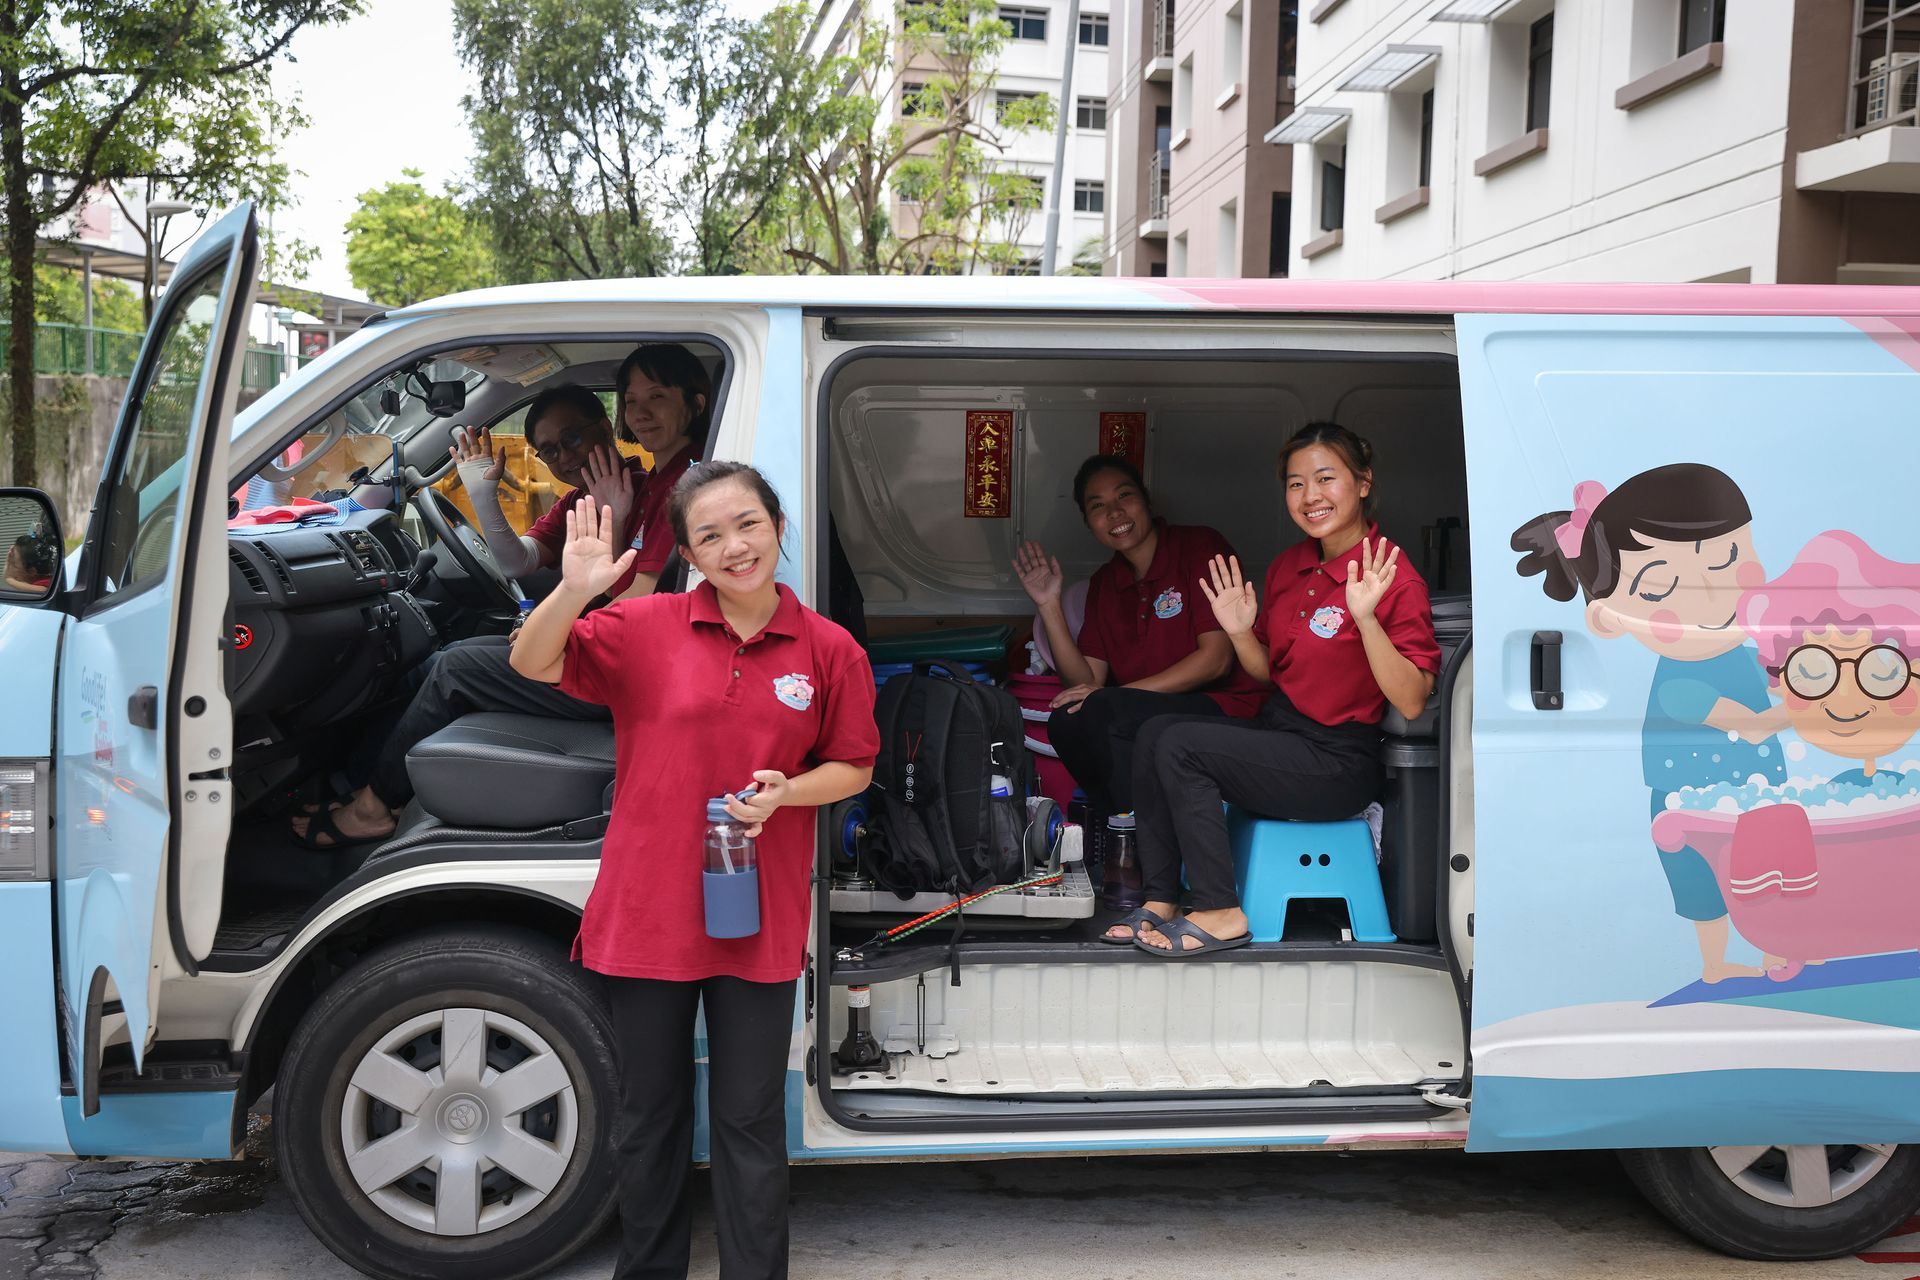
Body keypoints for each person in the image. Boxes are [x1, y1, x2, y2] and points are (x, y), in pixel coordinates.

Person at [510, 462, 877, 1280]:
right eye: (708, 535)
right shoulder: (644, 626)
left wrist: (790, 793)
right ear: (688, 550)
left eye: (747, 524)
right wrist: (573, 591)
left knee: (749, 1119)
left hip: (759, 916)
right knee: (650, 1116)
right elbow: (531, 662)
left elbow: (852, 766)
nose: (734, 547)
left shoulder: (828, 650)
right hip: (648, 912)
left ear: (778, 525)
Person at [291, 349, 712, 849]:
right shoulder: (624, 488)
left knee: (454, 669)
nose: (641, 413)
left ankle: (372, 808)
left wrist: (562, 619)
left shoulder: (680, 486)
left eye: (657, 398)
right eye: (549, 451)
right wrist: (482, 491)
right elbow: (518, 563)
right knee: (442, 659)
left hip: (630, 675)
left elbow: (636, 606)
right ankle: (358, 785)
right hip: (614, 657)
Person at [1129, 422, 1440, 956]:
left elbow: (1412, 699)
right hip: (1284, 733)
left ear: (1363, 482)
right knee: (1154, 729)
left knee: (1182, 747)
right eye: (1296, 483)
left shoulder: (1390, 574)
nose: (1310, 496)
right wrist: (1238, 631)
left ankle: (1220, 910)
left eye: (1326, 478)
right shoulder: (1290, 566)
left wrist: (1365, 619)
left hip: (1337, 759)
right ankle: (1161, 900)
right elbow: (1270, 673)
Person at [1512, 463, 1787, 984]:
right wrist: (1805, 706)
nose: (1710, 594)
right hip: (1691, 805)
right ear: (1606, 619)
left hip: (1757, 795)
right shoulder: (1679, 683)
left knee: (1763, 873)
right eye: (1659, 589)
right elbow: (1753, 726)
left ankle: (1775, 951)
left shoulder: (1750, 656)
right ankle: (1716, 964)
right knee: (1706, 884)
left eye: (1728, 559)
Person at [1013, 456, 1263, 929]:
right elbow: (1084, 680)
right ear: (1088, 523)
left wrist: (1115, 694)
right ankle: (1124, 834)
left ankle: (1147, 864)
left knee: (1106, 709)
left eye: (1124, 495)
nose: (1115, 512)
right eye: (1098, 506)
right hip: (1148, 721)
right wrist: (1048, 605)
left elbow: (1216, 659)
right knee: (1070, 720)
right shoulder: (1109, 584)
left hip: (1226, 710)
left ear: (1147, 502)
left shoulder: (1197, 547)